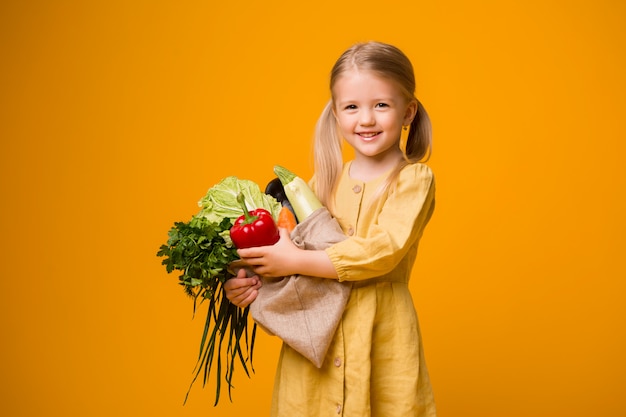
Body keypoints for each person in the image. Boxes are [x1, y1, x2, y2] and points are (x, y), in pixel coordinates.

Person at [225, 41, 437, 416]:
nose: (366, 119)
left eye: (381, 105)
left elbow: (382, 250)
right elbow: (287, 258)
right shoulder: (319, 184)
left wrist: (294, 262)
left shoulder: (413, 180)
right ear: (336, 114)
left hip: (382, 341)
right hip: (314, 356)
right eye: (352, 107)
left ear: (408, 112)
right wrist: (251, 281)